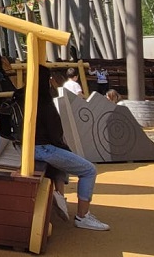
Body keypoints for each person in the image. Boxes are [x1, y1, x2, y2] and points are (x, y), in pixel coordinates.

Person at [30, 70, 110, 231]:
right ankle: (83, 216)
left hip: (31, 147)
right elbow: (55, 133)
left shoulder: (25, 97)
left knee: (61, 160)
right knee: (89, 170)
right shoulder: (45, 102)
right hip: (43, 147)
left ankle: (60, 196)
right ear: (49, 81)